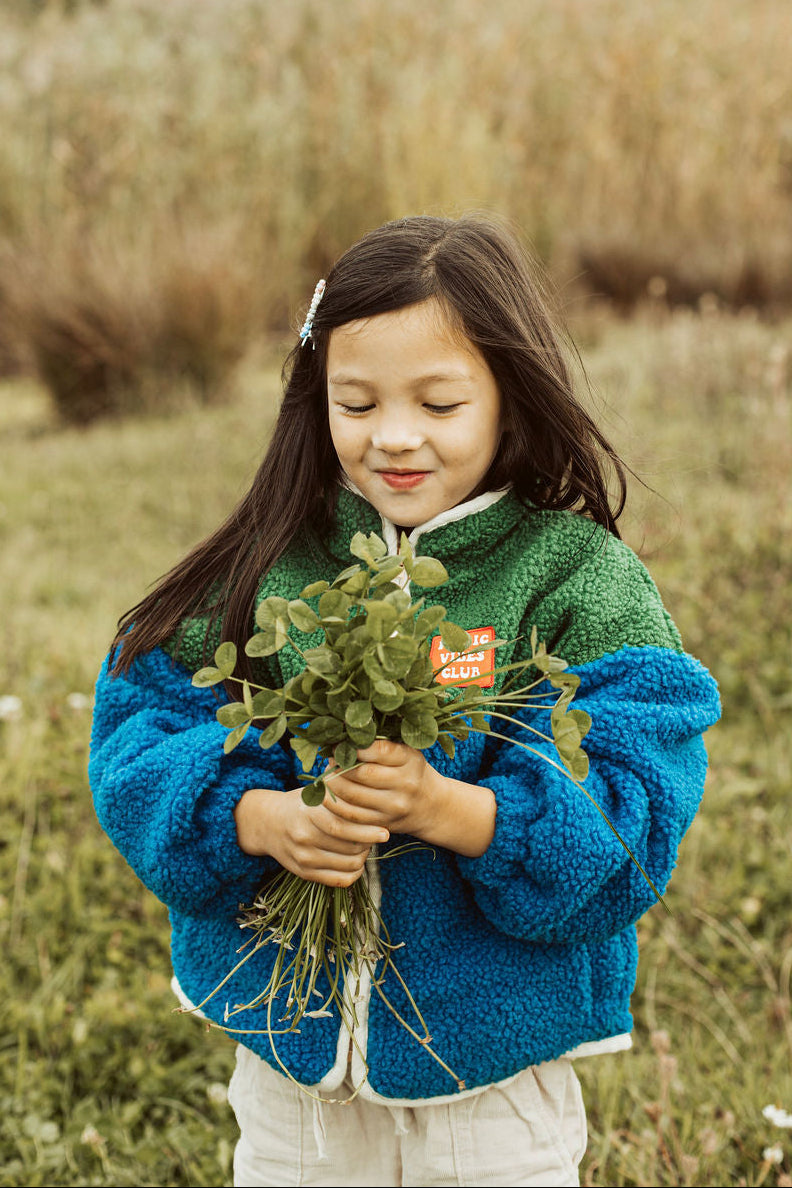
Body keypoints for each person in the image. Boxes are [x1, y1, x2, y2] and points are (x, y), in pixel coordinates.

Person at [89, 214, 720, 1188]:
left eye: (438, 402)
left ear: (511, 395)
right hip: (288, 1061)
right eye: (356, 402)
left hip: (491, 1079)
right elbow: (140, 728)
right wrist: (259, 818)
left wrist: (456, 812)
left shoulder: (573, 574)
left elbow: (644, 786)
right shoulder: (273, 555)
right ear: (316, 397)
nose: (393, 437)